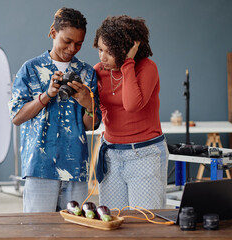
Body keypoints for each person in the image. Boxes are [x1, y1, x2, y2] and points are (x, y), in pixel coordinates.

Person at [9, 7, 101, 213]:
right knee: (38, 231)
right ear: (53, 32)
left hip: (76, 167)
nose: (72, 48)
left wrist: (88, 103)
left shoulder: (87, 73)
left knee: (75, 231)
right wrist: (47, 95)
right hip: (40, 168)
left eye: (78, 44)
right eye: (67, 41)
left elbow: (91, 125)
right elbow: (16, 117)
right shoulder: (30, 69)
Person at [93, 15, 168, 210]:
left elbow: (132, 105)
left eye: (110, 52)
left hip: (144, 154)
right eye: (100, 50)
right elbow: (103, 108)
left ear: (127, 51)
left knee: (145, 224)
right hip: (111, 154)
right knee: (113, 219)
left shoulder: (147, 68)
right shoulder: (99, 71)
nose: (102, 57)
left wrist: (127, 63)